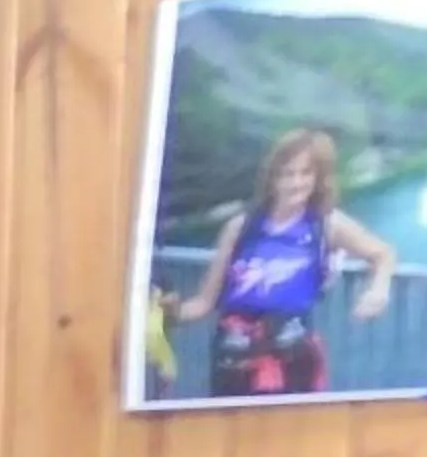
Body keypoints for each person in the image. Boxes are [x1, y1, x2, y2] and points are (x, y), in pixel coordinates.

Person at [169, 128, 395, 398]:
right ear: (273, 178)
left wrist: (378, 290)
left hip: (293, 362)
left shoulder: (327, 224)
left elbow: (383, 253)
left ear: (317, 178)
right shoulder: (240, 227)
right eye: (287, 174)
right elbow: (203, 303)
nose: (295, 183)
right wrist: (165, 315)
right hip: (233, 361)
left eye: (305, 173)